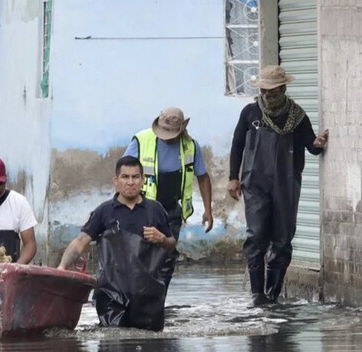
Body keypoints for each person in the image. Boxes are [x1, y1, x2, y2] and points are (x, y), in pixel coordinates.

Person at [228, 65, 329, 306]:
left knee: (282, 240)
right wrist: (233, 176)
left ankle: (272, 296)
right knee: (256, 236)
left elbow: (311, 147)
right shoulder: (250, 113)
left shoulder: (297, 116)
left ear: (283, 89)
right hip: (255, 184)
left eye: (272, 91)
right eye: (264, 90)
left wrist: (318, 143)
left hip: (286, 184)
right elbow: (237, 144)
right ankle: (257, 295)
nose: (268, 95)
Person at [57, 156, 176, 331]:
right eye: (125, 177)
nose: (130, 182)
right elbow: (81, 242)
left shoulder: (156, 210)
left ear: (143, 180)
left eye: (135, 177)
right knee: (113, 347)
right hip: (111, 297)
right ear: (116, 180)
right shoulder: (104, 212)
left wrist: (163, 239)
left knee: (151, 351)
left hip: (148, 298)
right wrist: (61, 267)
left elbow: (171, 245)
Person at [123, 107, 213, 290]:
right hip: (142, 208)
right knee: (139, 254)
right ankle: (137, 295)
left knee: (166, 256)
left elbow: (203, 177)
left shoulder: (190, 146)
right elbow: (124, 172)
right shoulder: (141, 140)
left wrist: (208, 211)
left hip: (171, 210)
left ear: (180, 130)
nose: (167, 137)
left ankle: (158, 298)